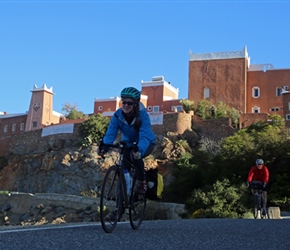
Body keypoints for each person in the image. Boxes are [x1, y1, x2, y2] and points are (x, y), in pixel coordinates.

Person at [99, 86, 156, 195]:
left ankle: (142, 181)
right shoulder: (117, 115)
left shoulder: (143, 115)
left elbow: (145, 135)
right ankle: (123, 201)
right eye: (123, 102)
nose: (126, 105)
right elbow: (111, 132)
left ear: (135, 104)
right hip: (128, 143)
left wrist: (139, 150)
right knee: (125, 163)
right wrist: (105, 147)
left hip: (147, 142)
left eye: (129, 103)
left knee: (134, 156)